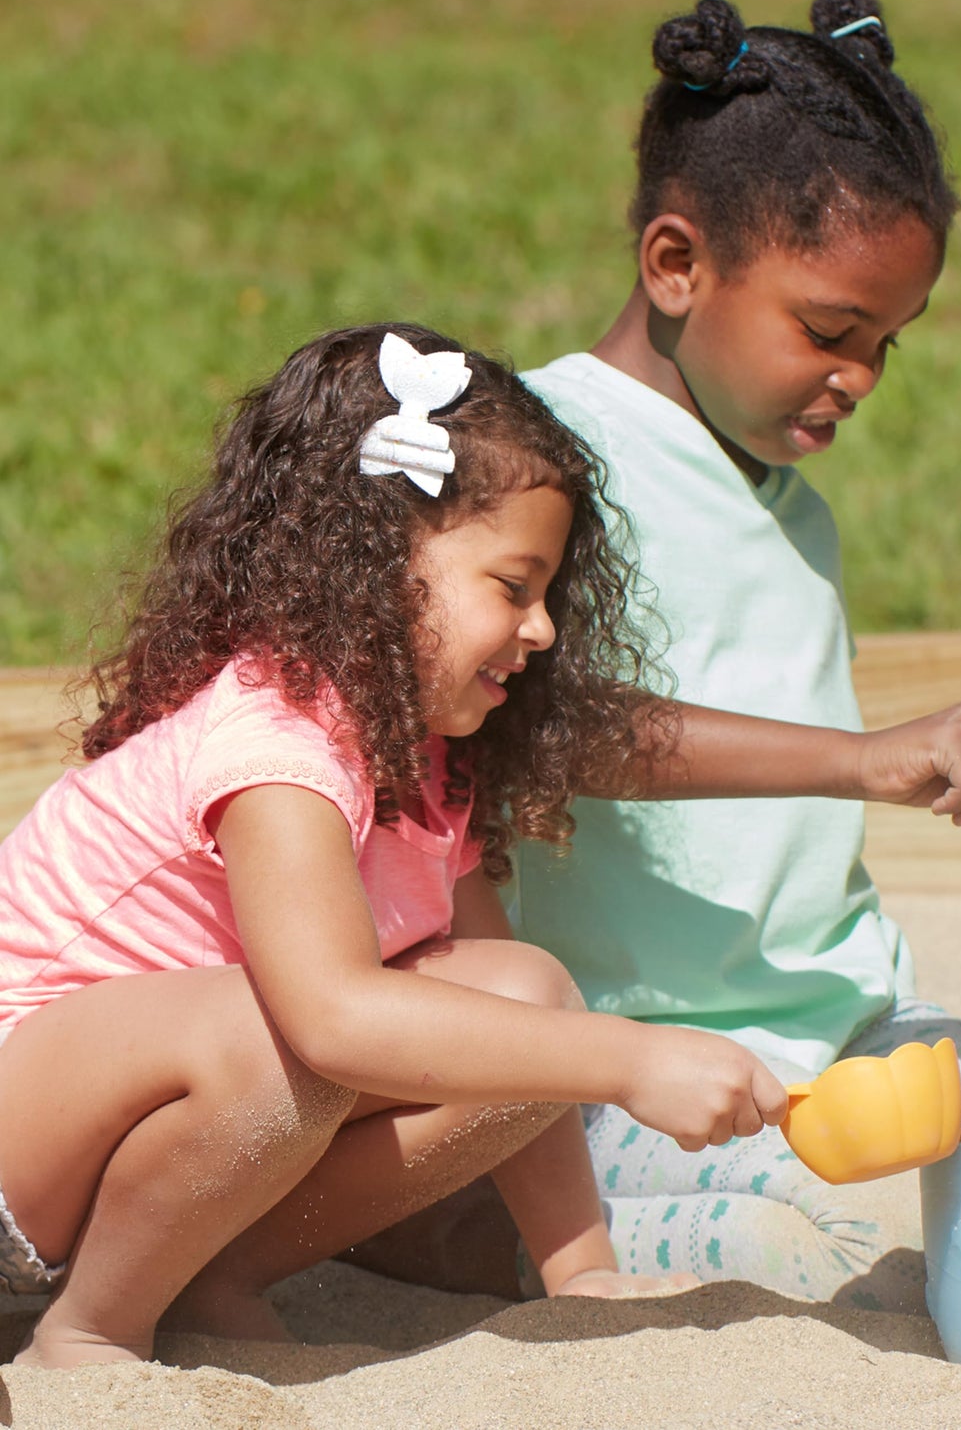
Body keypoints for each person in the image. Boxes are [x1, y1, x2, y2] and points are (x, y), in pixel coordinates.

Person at [362, 0, 961, 1314]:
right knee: (823, 1257)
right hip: (633, 1051)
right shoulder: (545, 466)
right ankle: (446, 1229)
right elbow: (548, 724)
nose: (861, 376)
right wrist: (858, 759)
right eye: (829, 331)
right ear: (676, 264)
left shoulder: (791, 507)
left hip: (840, 1027)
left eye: (887, 343)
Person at [0, 323, 796, 1369]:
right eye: (512, 586)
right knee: (289, 1036)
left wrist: (582, 1271)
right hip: (22, 1148)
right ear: (374, 566)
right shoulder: (277, 745)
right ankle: (93, 1328)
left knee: (523, 996)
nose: (543, 628)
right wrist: (632, 1059)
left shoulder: (421, 761)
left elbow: (516, 1023)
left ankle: (208, 1277)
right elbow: (331, 1015)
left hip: (125, 1178)